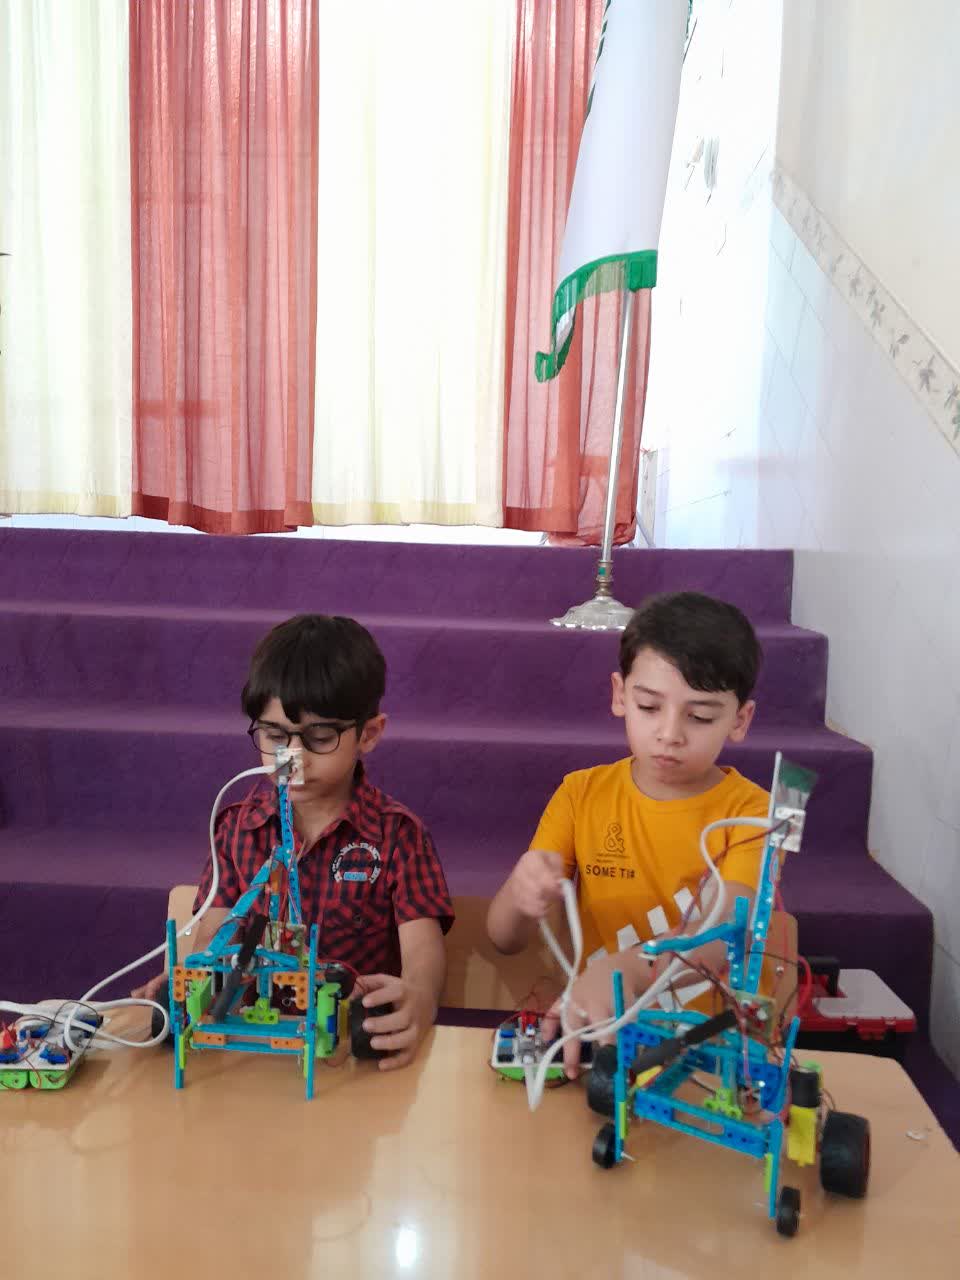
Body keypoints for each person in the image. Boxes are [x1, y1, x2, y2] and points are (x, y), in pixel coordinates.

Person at [133, 613, 453, 1071]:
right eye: (275, 735)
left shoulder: (398, 836)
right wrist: (188, 982)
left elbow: (423, 950)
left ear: (368, 734)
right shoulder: (237, 829)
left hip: (346, 1056)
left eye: (319, 737)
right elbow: (213, 932)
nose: (293, 756)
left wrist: (419, 997)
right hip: (251, 1054)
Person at [487, 591, 769, 1077]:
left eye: (700, 716)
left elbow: (727, 931)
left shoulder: (751, 812)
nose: (670, 733)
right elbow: (503, 938)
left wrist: (630, 966)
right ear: (620, 695)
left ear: (740, 720)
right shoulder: (581, 795)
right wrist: (521, 889)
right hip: (603, 1047)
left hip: (710, 1059)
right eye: (649, 706)